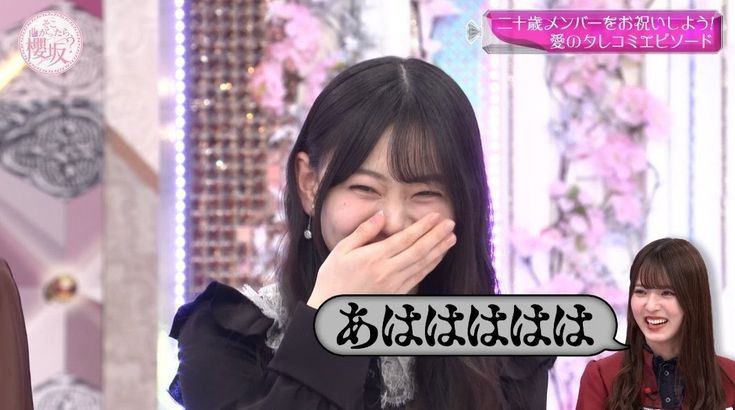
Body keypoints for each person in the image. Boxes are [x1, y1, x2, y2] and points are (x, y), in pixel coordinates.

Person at [169, 56, 554, 410]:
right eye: (365, 188)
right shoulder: (224, 336)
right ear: (309, 184)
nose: (394, 222)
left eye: (425, 193)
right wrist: (333, 316)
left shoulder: (506, 351)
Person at [576, 238, 735, 409]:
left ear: (693, 299)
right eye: (640, 291)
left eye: (667, 293)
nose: (651, 306)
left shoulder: (731, 377)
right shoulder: (602, 377)